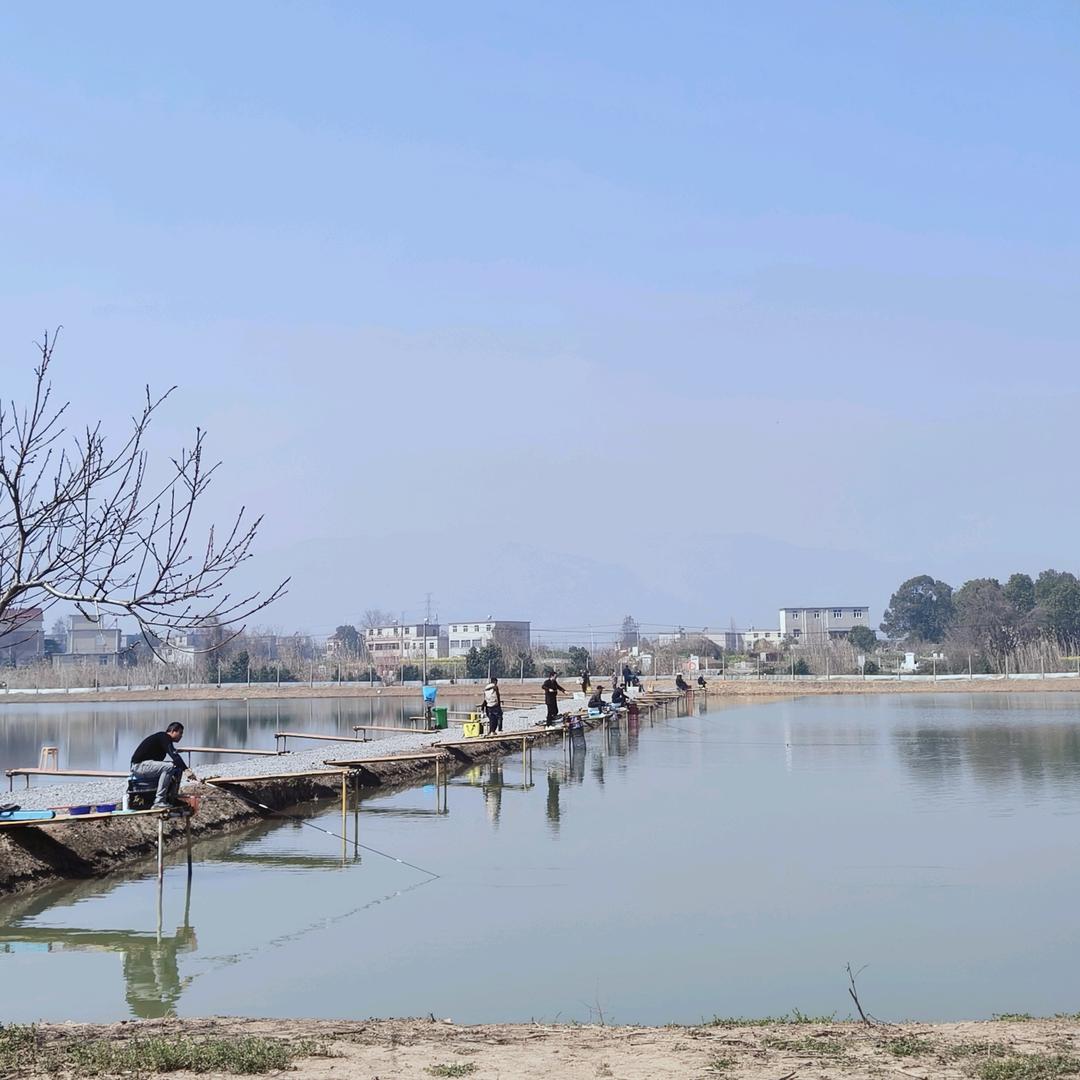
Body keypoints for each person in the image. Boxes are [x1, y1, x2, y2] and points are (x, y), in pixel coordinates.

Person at [130, 722, 198, 809]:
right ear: (173, 731)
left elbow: (175, 758)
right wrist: (186, 770)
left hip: (146, 766)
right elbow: (174, 755)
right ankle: (159, 801)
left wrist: (183, 769)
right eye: (180, 733)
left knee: (176, 767)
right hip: (139, 766)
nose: (181, 736)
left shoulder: (165, 740)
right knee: (169, 767)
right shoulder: (164, 737)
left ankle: (171, 798)